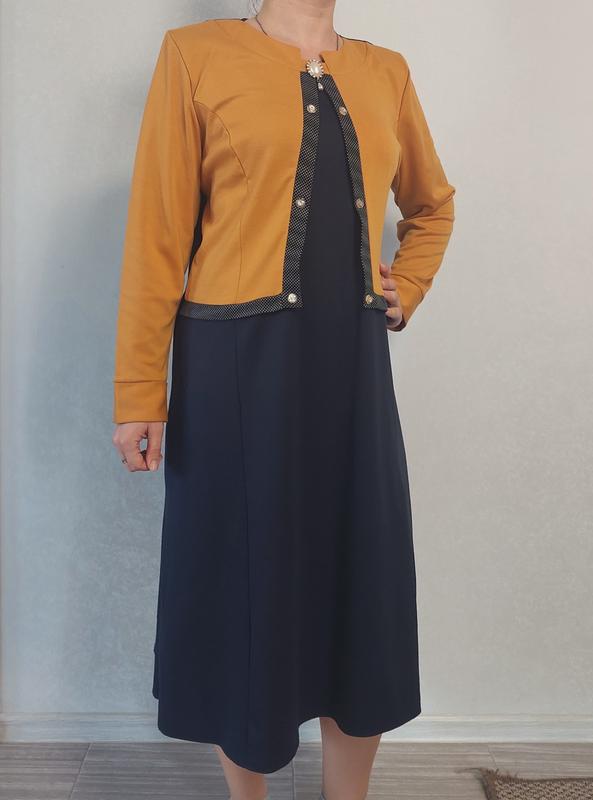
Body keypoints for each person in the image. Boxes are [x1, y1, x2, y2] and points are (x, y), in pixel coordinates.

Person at [111, 2, 455, 799]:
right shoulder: (194, 55)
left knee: (359, 576)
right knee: (245, 580)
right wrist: (139, 391)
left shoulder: (385, 71)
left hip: (352, 370)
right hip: (233, 370)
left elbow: (432, 205)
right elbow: (157, 234)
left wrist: (406, 285)